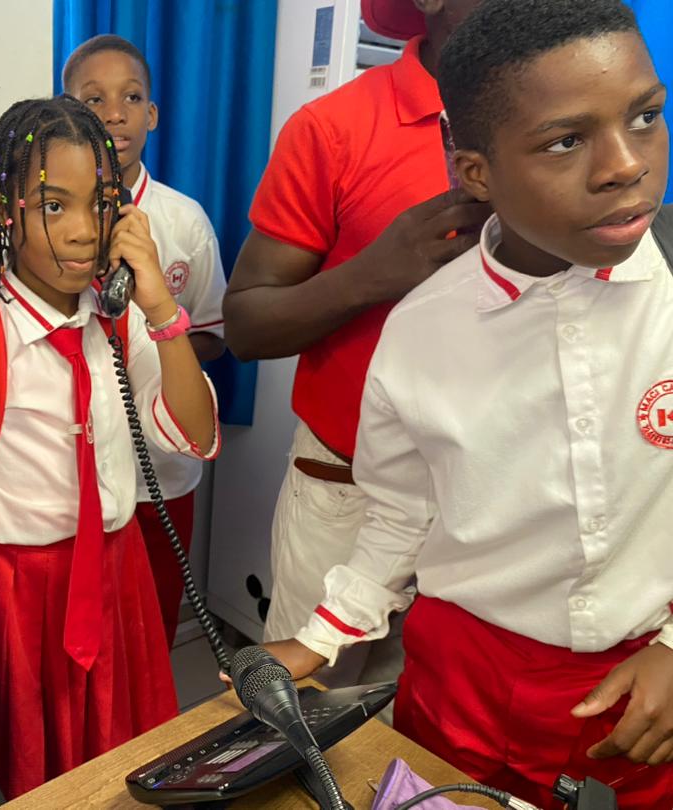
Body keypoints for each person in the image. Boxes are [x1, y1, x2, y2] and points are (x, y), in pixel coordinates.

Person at [262, 1, 673, 806]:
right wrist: (318, 636)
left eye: (646, 117)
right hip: (461, 678)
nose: (626, 164)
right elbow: (402, 512)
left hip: (640, 685)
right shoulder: (423, 329)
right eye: (566, 140)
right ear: (476, 172)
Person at [0, 95, 220, 798]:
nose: (82, 231)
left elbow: (194, 436)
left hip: (118, 581)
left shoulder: (121, 321)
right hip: (13, 600)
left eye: (100, 205)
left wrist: (161, 310)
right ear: (5, 212)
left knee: (125, 767)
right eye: (53, 206)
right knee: (27, 775)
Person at [221, 0, 490, 688]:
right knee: (315, 714)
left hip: (492, 501)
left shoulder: (559, 126)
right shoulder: (333, 128)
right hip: (349, 490)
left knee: (434, 721)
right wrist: (375, 272)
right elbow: (246, 323)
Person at [63, 34, 227, 648]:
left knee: (150, 628)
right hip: (72, 473)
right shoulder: (47, 221)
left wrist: (153, 349)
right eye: (94, 99)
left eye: (131, 98)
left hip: (160, 470)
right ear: (68, 110)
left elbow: (213, 334)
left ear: (152, 114)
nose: (114, 114)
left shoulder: (184, 222)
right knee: (83, 630)